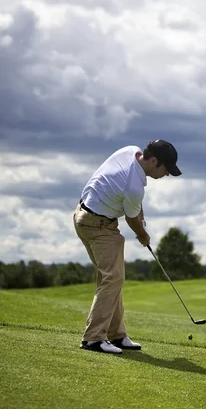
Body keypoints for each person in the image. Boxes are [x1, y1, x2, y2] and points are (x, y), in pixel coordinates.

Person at [73, 139, 182, 354]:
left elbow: (134, 208)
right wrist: (143, 235)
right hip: (99, 225)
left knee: (111, 278)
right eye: (166, 169)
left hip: (85, 216)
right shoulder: (133, 187)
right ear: (153, 161)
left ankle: (117, 335)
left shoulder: (131, 151)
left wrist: (139, 218)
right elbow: (133, 219)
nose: (167, 174)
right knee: (113, 279)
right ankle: (94, 338)